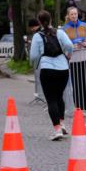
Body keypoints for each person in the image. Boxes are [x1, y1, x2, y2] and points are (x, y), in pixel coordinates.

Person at [30, 10, 74, 140]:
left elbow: (33, 56)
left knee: (51, 100)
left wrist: (37, 63)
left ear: (39, 22)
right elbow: (69, 45)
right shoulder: (59, 32)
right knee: (59, 97)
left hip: (47, 70)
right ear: (50, 20)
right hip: (63, 69)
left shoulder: (38, 36)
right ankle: (62, 124)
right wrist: (68, 55)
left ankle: (57, 130)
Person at [62, 4, 86, 114]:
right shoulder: (65, 29)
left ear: (78, 14)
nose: (74, 16)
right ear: (68, 16)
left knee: (85, 82)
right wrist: (71, 45)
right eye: (71, 14)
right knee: (76, 84)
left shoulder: (85, 26)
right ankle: (78, 109)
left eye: (75, 14)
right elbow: (62, 44)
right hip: (74, 59)